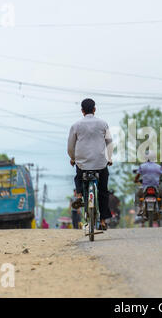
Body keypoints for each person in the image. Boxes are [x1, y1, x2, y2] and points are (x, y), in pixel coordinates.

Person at [67, 98, 113, 230]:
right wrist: (109, 158)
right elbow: (109, 143)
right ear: (94, 109)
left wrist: (73, 158)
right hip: (100, 163)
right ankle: (103, 220)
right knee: (103, 191)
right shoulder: (103, 124)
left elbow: (71, 146)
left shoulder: (76, 126)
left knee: (79, 176)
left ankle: (79, 195)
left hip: (83, 163)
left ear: (82, 111)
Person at [134, 151, 162, 219]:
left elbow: (137, 176)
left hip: (145, 187)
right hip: (156, 187)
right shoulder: (158, 167)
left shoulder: (142, 166)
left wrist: (136, 180)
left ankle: (140, 208)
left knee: (137, 195)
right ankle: (161, 208)